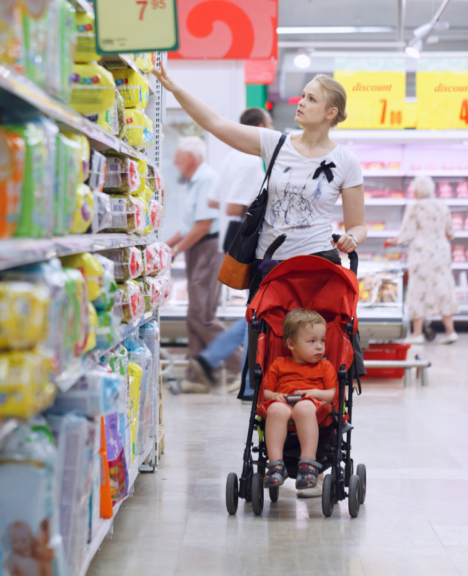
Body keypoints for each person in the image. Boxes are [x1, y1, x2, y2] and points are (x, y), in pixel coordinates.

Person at [154, 68, 367, 496]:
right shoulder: (276, 143)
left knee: (320, 353)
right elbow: (216, 124)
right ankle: (274, 453)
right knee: (272, 355)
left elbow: (359, 225)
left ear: (331, 112)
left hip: (320, 271)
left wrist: (352, 238)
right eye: (301, 95)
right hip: (273, 272)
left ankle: (316, 456)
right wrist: (175, 87)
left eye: (310, 98)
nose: (300, 102)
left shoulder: (346, 161)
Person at [191, 108, 273, 397]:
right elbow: (234, 206)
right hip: (247, 241)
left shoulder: (230, 158)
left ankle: (224, 365)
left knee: (258, 306)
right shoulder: (251, 160)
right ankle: (242, 378)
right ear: (261, 127)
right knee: (261, 307)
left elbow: (214, 201)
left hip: (231, 238)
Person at [166, 136, 237, 393]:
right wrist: (166, 246)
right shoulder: (196, 181)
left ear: (191, 158)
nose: (175, 162)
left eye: (178, 157)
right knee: (194, 314)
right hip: (198, 247)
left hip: (208, 248)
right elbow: (189, 226)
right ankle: (196, 378)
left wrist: (175, 250)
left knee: (202, 314)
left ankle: (242, 364)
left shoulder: (206, 179)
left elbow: (204, 225)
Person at [260, 309, 338, 491]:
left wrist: (315, 393)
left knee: (304, 407)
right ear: (291, 344)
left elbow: (333, 394)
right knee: (274, 410)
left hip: (313, 407)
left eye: (322, 340)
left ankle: (308, 463)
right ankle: (276, 465)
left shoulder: (325, 366)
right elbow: (265, 392)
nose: (319, 346)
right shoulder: (279, 364)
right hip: (284, 403)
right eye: (312, 341)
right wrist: (275, 396)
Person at [385, 175, 459, 345]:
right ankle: (451, 331)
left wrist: (393, 241)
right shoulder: (442, 205)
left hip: (422, 252)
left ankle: (417, 333)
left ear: (417, 191)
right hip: (441, 251)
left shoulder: (415, 207)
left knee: (418, 289)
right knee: (443, 287)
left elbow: (407, 234)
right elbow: (450, 233)